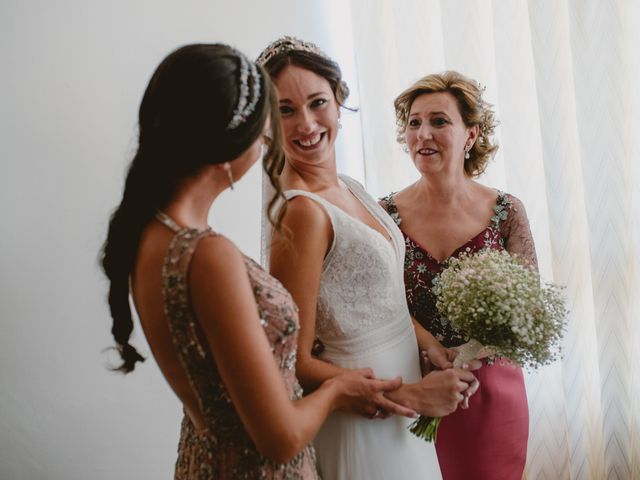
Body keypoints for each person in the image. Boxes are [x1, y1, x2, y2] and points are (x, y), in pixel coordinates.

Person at [100, 43, 412, 480]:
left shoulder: (150, 233)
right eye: (271, 119)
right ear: (235, 141)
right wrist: (338, 389)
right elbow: (280, 438)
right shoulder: (208, 256)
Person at [258, 37, 480, 480]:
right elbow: (293, 361)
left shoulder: (350, 187)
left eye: (317, 102)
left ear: (339, 102)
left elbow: (383, 300)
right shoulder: (302, 212)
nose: (305, 124)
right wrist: (412, 397)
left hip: (402, 401)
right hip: (365, 417)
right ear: (266, 122)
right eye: (285, 110)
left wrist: (430, 347)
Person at [380, 70, 537, 480]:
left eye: (439, 121)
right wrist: (431, 346)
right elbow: (380, 302)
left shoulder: (507, 211)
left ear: (470, 135)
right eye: (414, 123)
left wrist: (470, 354)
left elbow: (529, 309)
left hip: (488, 395)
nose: (423, 134)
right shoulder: (383, 216)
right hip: (414, 388)